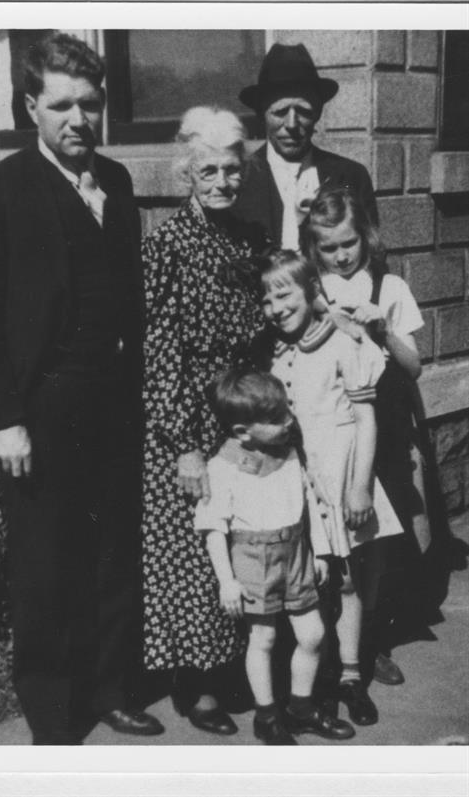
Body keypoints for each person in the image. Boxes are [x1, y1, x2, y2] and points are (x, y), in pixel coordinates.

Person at [0, 32, 163, 744]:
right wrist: (2, 418)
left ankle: (110, 688)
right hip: (41, 410)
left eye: (90, 104)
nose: (79, 119)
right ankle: (52, 711)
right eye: (62, 105)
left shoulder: (118, 183)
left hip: (116, 406)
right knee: (46, 564)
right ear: (30, 106)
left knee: (113, 553)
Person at [141, 106, 266, 735]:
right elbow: (160, 352)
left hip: (239, 417)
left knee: (238, 539)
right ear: (187, 172)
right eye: (208, 170)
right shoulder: (166, 245)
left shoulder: (248, 239)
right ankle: (197, 684)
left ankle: (235, 665)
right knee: (193, 551)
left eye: (231, 169)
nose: (222, 181)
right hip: (185, 422)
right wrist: (185, 446)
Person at [255, 250, 404, 727]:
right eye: (266, 300)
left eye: (284, 295)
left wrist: (359, 487)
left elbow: (365, 419)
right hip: (297, 481)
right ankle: (317, 678)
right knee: (312, 581)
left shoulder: (341, 342)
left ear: (310, 292)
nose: (275, 308)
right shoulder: (273, 349)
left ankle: (351, 675)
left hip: (341, 474)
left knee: (347, 579)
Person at [301, 184, 428, 684]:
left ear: (366, 237)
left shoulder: (389, 287)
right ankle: (330, 645)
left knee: (375, 540)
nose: (340, 256)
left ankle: (371, 641)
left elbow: (414, 367)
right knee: (331, 542)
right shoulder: (314, 290)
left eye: (348, 243)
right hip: (332, 430)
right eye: (328, 247)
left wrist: (384, 331)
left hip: (385, 427)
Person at [195, 368, 355, 745]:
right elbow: (213, 528)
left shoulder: (289, 453)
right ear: (242, 432)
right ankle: (267, 717)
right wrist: (227, 581)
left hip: (297, 552)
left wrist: (320, 552)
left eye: (286, 411)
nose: (288, 422)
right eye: (275, 418)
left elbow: (309, 505)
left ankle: (301, 709)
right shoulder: (223, 466)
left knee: (313, 634)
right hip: (254, 557)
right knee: (263, 638)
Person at [233, 43, 378, 252]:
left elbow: (372, 255)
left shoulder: (351, 176)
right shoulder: (239, 178)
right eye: (280, 112)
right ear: (262, 115)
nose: (292, 124)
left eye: (303, 111)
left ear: (317, 114)